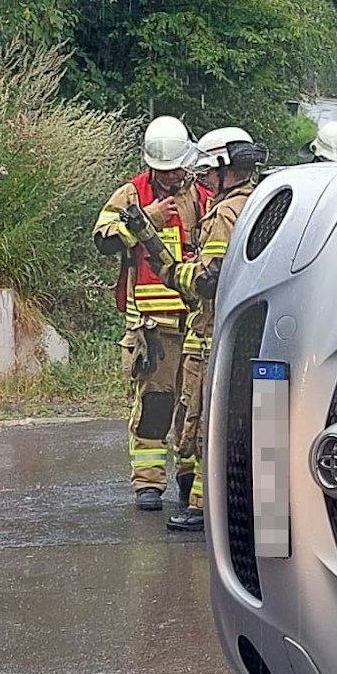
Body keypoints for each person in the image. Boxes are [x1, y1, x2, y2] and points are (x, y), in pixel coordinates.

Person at [92, 116, 211, 511]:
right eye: (163, 169)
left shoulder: (203, 197)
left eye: (176, 167)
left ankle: (188, 478)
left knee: (192, 407)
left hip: (195, 322)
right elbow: (103, 240)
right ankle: (148, 483)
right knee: (156, 404)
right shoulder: (132, 194)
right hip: (152, 326)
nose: (171, 175)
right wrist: (147, 221)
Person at [166, 127, 267, 532]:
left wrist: (176, 272)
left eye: (209, 171)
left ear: (228, 169)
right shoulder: (259, 200)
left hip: (213, 333)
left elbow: (211, 278)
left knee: (202, 419)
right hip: (249, 330)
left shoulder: (226, 213)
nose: (203, 178)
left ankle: (201, 507)